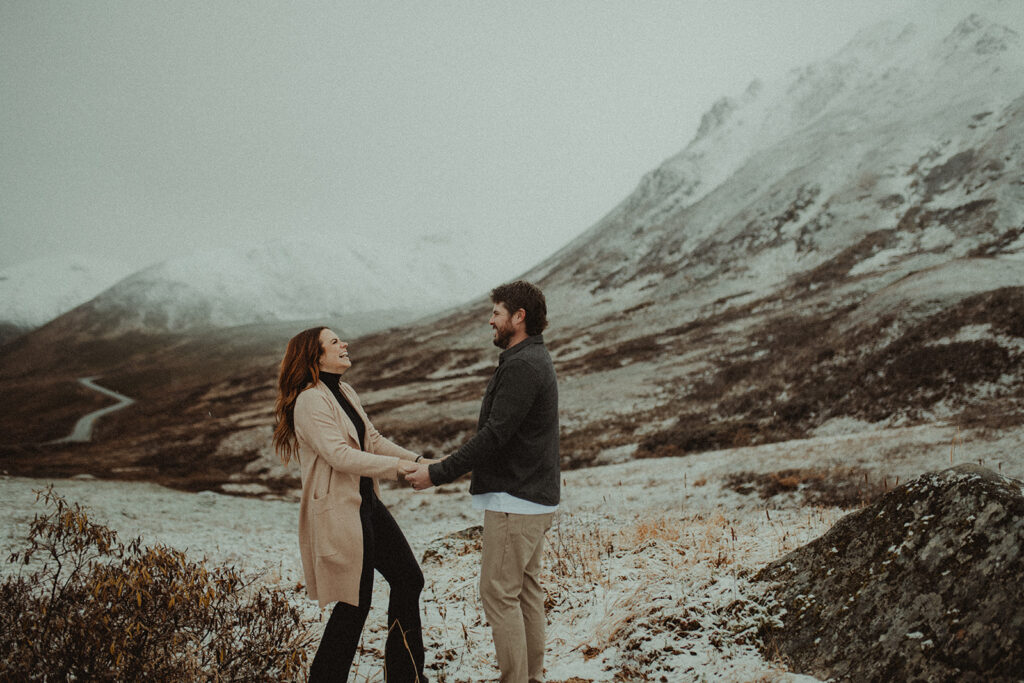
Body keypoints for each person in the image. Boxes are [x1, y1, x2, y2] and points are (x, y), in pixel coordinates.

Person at [404, 280, 560, 683]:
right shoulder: (527, 359)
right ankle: (531, 677)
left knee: (498, 594)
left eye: (496, 312)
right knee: (524, 591)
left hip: (516, 500)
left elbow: (494, 435)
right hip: (528, 498)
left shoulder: (523, 365)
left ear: (518, 316)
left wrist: (437, 474)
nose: (490, 319)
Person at [273, 326, 428, 682]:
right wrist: (400, 469)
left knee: (408, 580)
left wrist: (420, 461)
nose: (344, 344)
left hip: (367, 506)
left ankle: (405, 677)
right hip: (341, 514)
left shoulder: (344, 390)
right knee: (353, 606)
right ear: (316, 357)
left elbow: (371, 440)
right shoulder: (310, 400)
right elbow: (340, 456)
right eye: (334, 342)